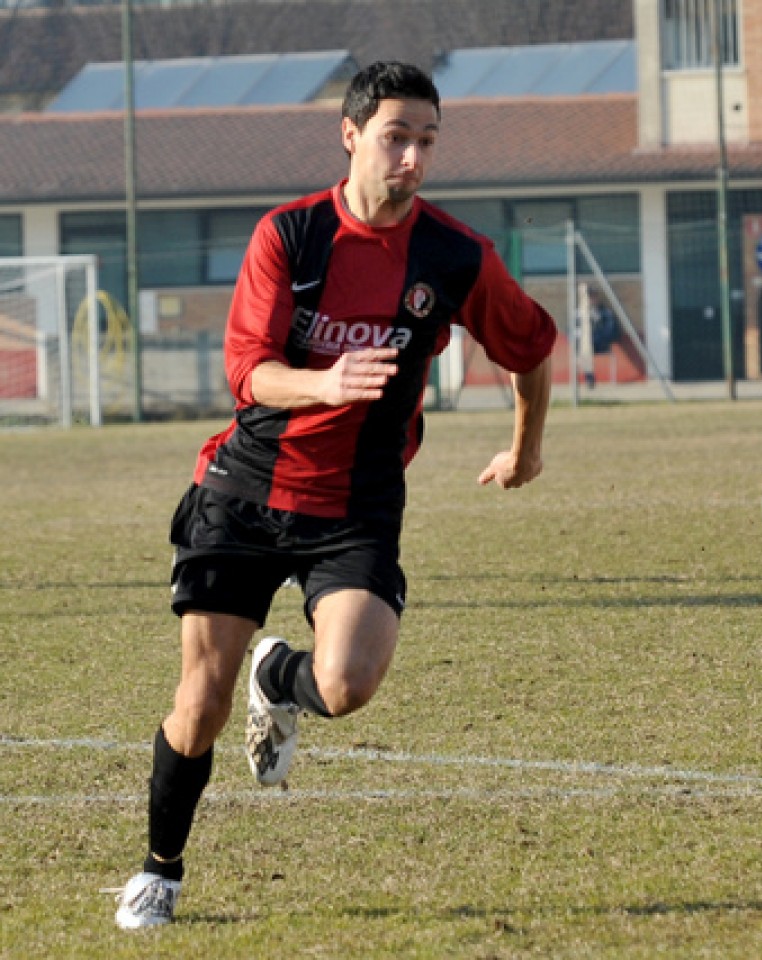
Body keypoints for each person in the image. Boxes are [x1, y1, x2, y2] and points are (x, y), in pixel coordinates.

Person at [112, 61, 557, 928]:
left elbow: (531, 347)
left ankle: (280, 676)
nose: (413, 158)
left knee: (348, 684)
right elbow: (247, 372)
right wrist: (326, 383)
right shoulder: (291, 235)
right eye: (396, 137)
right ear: (351, 135)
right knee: (198, 706)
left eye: (428, 141)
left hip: (356, 503)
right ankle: (160, 869)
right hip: (242, 494)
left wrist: (525, 450)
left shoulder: (454, 254)